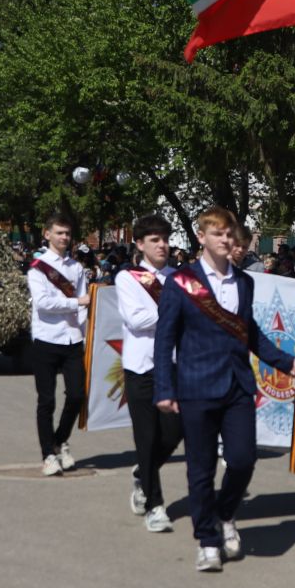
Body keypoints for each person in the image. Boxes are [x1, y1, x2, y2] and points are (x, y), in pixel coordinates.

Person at [154, 206, 295, 572]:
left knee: (243, 459)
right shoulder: (181, 282)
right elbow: (164, 338)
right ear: (201, 237)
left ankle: (225, 512)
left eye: (230, 234)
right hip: (196, 386)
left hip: (237, 385)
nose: (226, 240)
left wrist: (285, 362)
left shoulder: (245, 282)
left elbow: (250, 334)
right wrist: (164, 389)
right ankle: (208, 539)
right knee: (200, 470)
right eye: (218, 234)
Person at [117, 214, 183, 532]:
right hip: (141, 366)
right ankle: (154, 505)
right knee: (147, 436)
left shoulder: (180, 277)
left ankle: (143, 472)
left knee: (174, 431)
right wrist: (173, 310)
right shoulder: (127, 278)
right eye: (155, 240)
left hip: (172, 367)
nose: (162, 245)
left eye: (165, 239)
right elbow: (136, 320)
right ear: (140, 244)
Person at [28, 213, 89, 476]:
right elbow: (44, 304)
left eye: (67, 233)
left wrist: (86, 333)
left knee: (77, 395)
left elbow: (86, 302)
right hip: (46, 339)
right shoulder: (37, 268)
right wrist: (75, 303)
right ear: (47, 234)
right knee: (47, 400)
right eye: (59, 232)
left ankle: (60, 440)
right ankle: (48, 455)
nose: (64, 237)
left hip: (73, 338)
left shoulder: (76, 268)